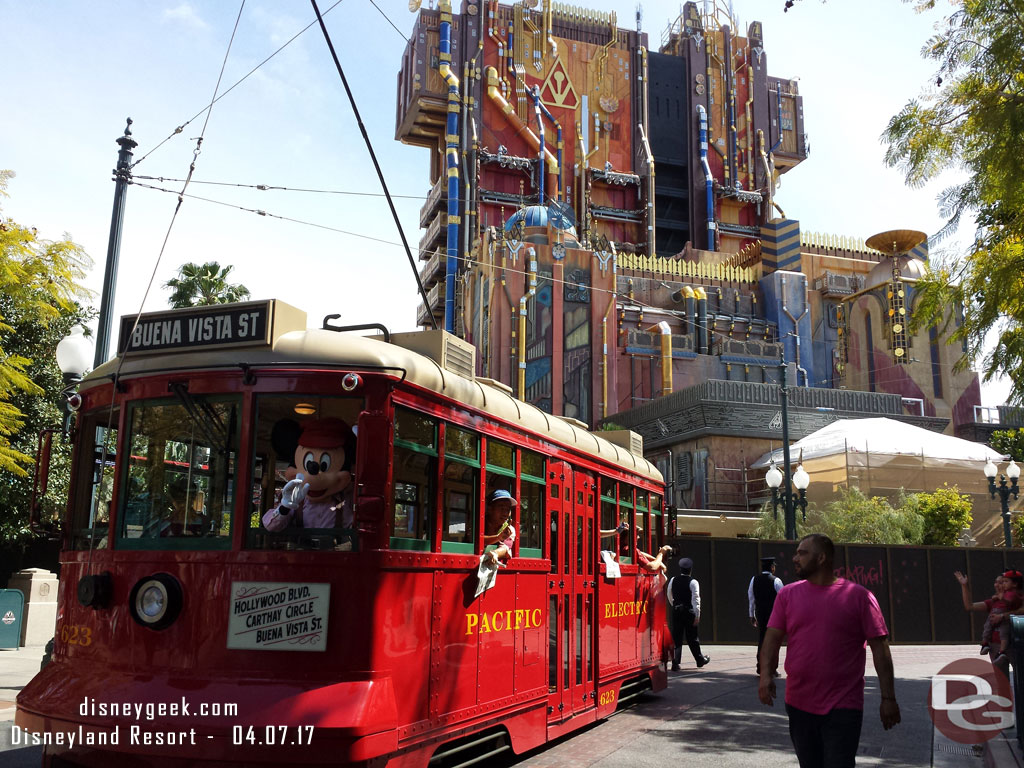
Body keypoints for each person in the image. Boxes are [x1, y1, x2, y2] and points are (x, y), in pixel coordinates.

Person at [759, 534, 900, 768]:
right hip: (798, 702)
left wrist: (888, 698)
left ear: (822, 557)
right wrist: (765, 675)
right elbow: (772, 638)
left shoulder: (860, 597)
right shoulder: (787, 595)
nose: (795, 558)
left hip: (844, 705)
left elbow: (880, 648)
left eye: (802, 553)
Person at [263, 418, 356, 533]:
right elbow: (271, 526)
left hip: (334, 549)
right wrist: (285, 507)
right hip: (302, 549)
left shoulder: (347, 496)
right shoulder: (296, 497)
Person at [954, 569, 1023, 675]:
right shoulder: (994, 602)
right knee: (1001, 682)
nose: (997, 585)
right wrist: (964, 585)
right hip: (995, 645)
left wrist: (1003, 616)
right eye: (996, 582)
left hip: (1015, 644)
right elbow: (969, 606)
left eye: (1002, 582)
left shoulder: (1017, 598)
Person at [667, 557, 710, 671]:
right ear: (690, 569)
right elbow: (696, 599)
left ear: (680, 569)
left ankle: (675, 663)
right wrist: (697, 614)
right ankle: (699, 660)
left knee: (677, 636)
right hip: (689, 612)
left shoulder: (673, 580)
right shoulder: (693, 582)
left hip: (676, 611)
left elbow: (669, 594)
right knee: (692, 637)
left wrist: (674, 605)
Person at [749, 556, 784, 674]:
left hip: (760, 615)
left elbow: (751, 598)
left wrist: (751, 615)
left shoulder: (754, 579)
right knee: (773, 641)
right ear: (772, 567)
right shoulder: (776, 581)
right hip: (774, 616)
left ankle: (760, 665)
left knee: (762, 639)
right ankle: (771, 668)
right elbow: (783, 599)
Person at [482, 489, 516, 565]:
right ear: (490, 509)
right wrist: (498, 537)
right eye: (501, 508)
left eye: (508, 510)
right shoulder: (479, 523)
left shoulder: (509, 529)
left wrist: (495, 553)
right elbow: (477, 540)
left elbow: (505, 548)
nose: (505, 513)